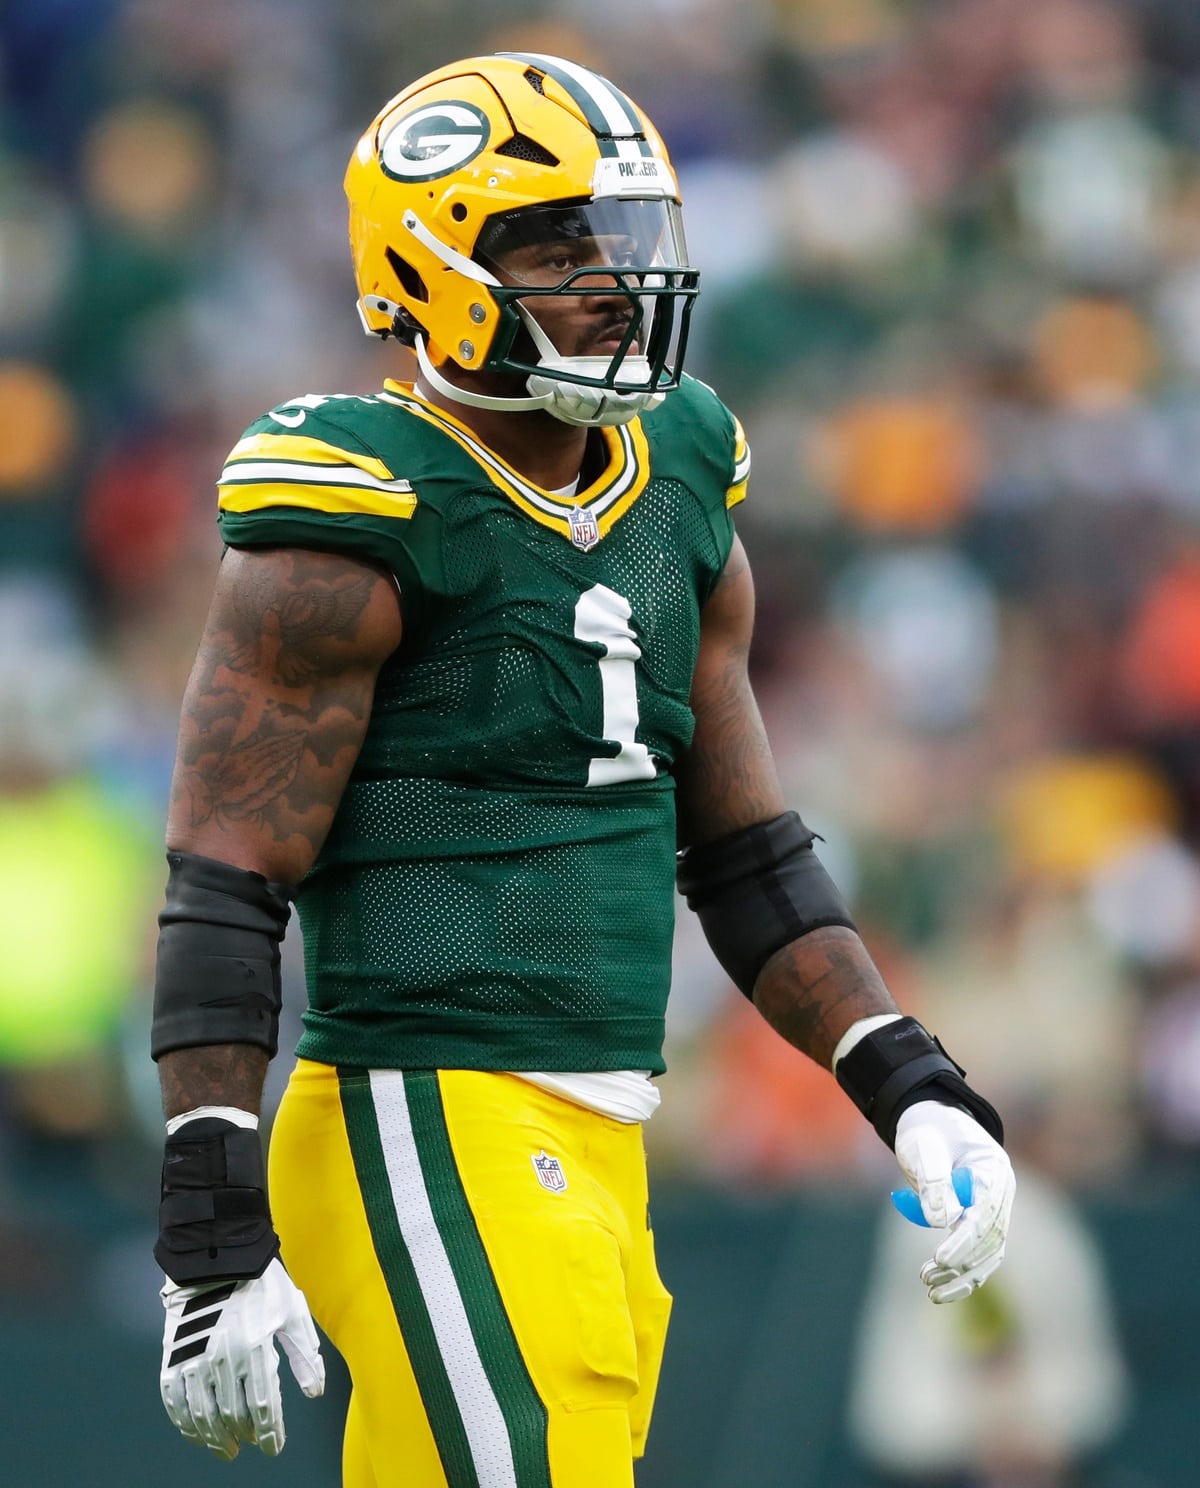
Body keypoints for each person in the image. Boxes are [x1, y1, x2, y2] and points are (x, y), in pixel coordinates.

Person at [149, 52, 1016, 1488]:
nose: (613, 283)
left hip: (600, 1129)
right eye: (558, 250)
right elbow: (225, 881)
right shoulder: (359, 501)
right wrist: (205, 1221)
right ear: (427, 269)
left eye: (620, 241)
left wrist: (908, 1079)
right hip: (424, 1105)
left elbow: (741, 850)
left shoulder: (677, 470)